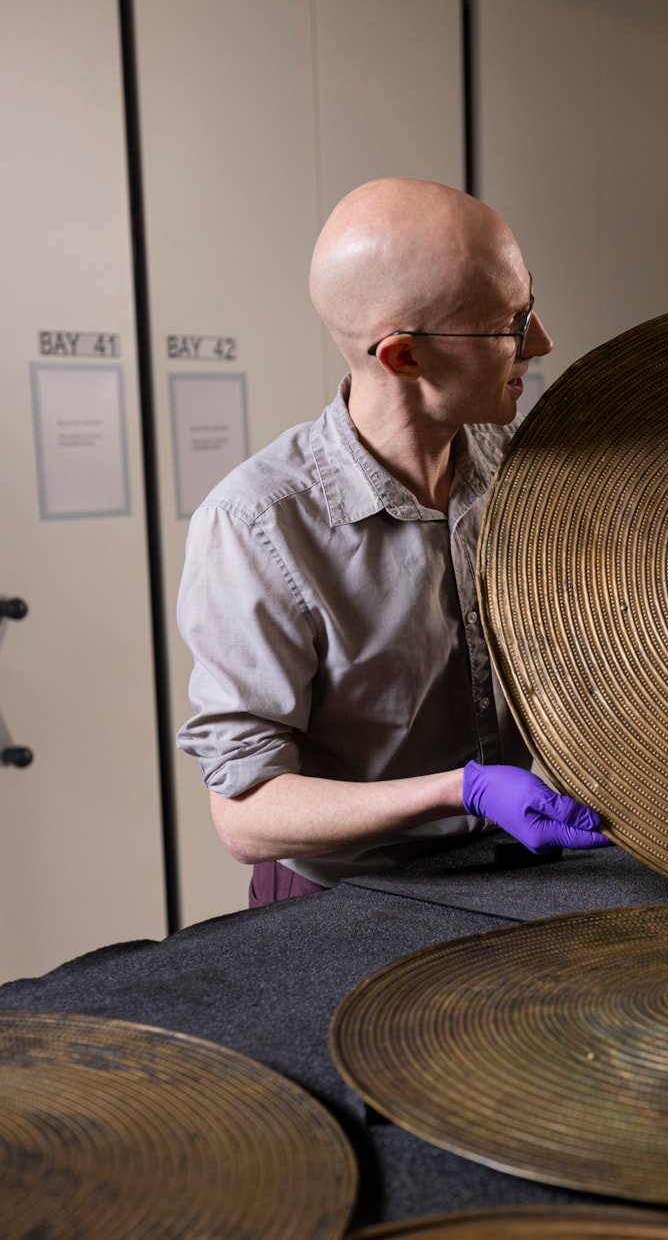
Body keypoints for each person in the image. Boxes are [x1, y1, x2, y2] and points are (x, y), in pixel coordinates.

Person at [176, 177, 607, 906]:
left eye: (528, 304)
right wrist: (459, 791)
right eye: (510, 323)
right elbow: (247, 817)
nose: (541, 341)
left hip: (521, 878)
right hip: (352, 904)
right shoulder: (258, 525)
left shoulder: (525, 466)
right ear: (403, 357)